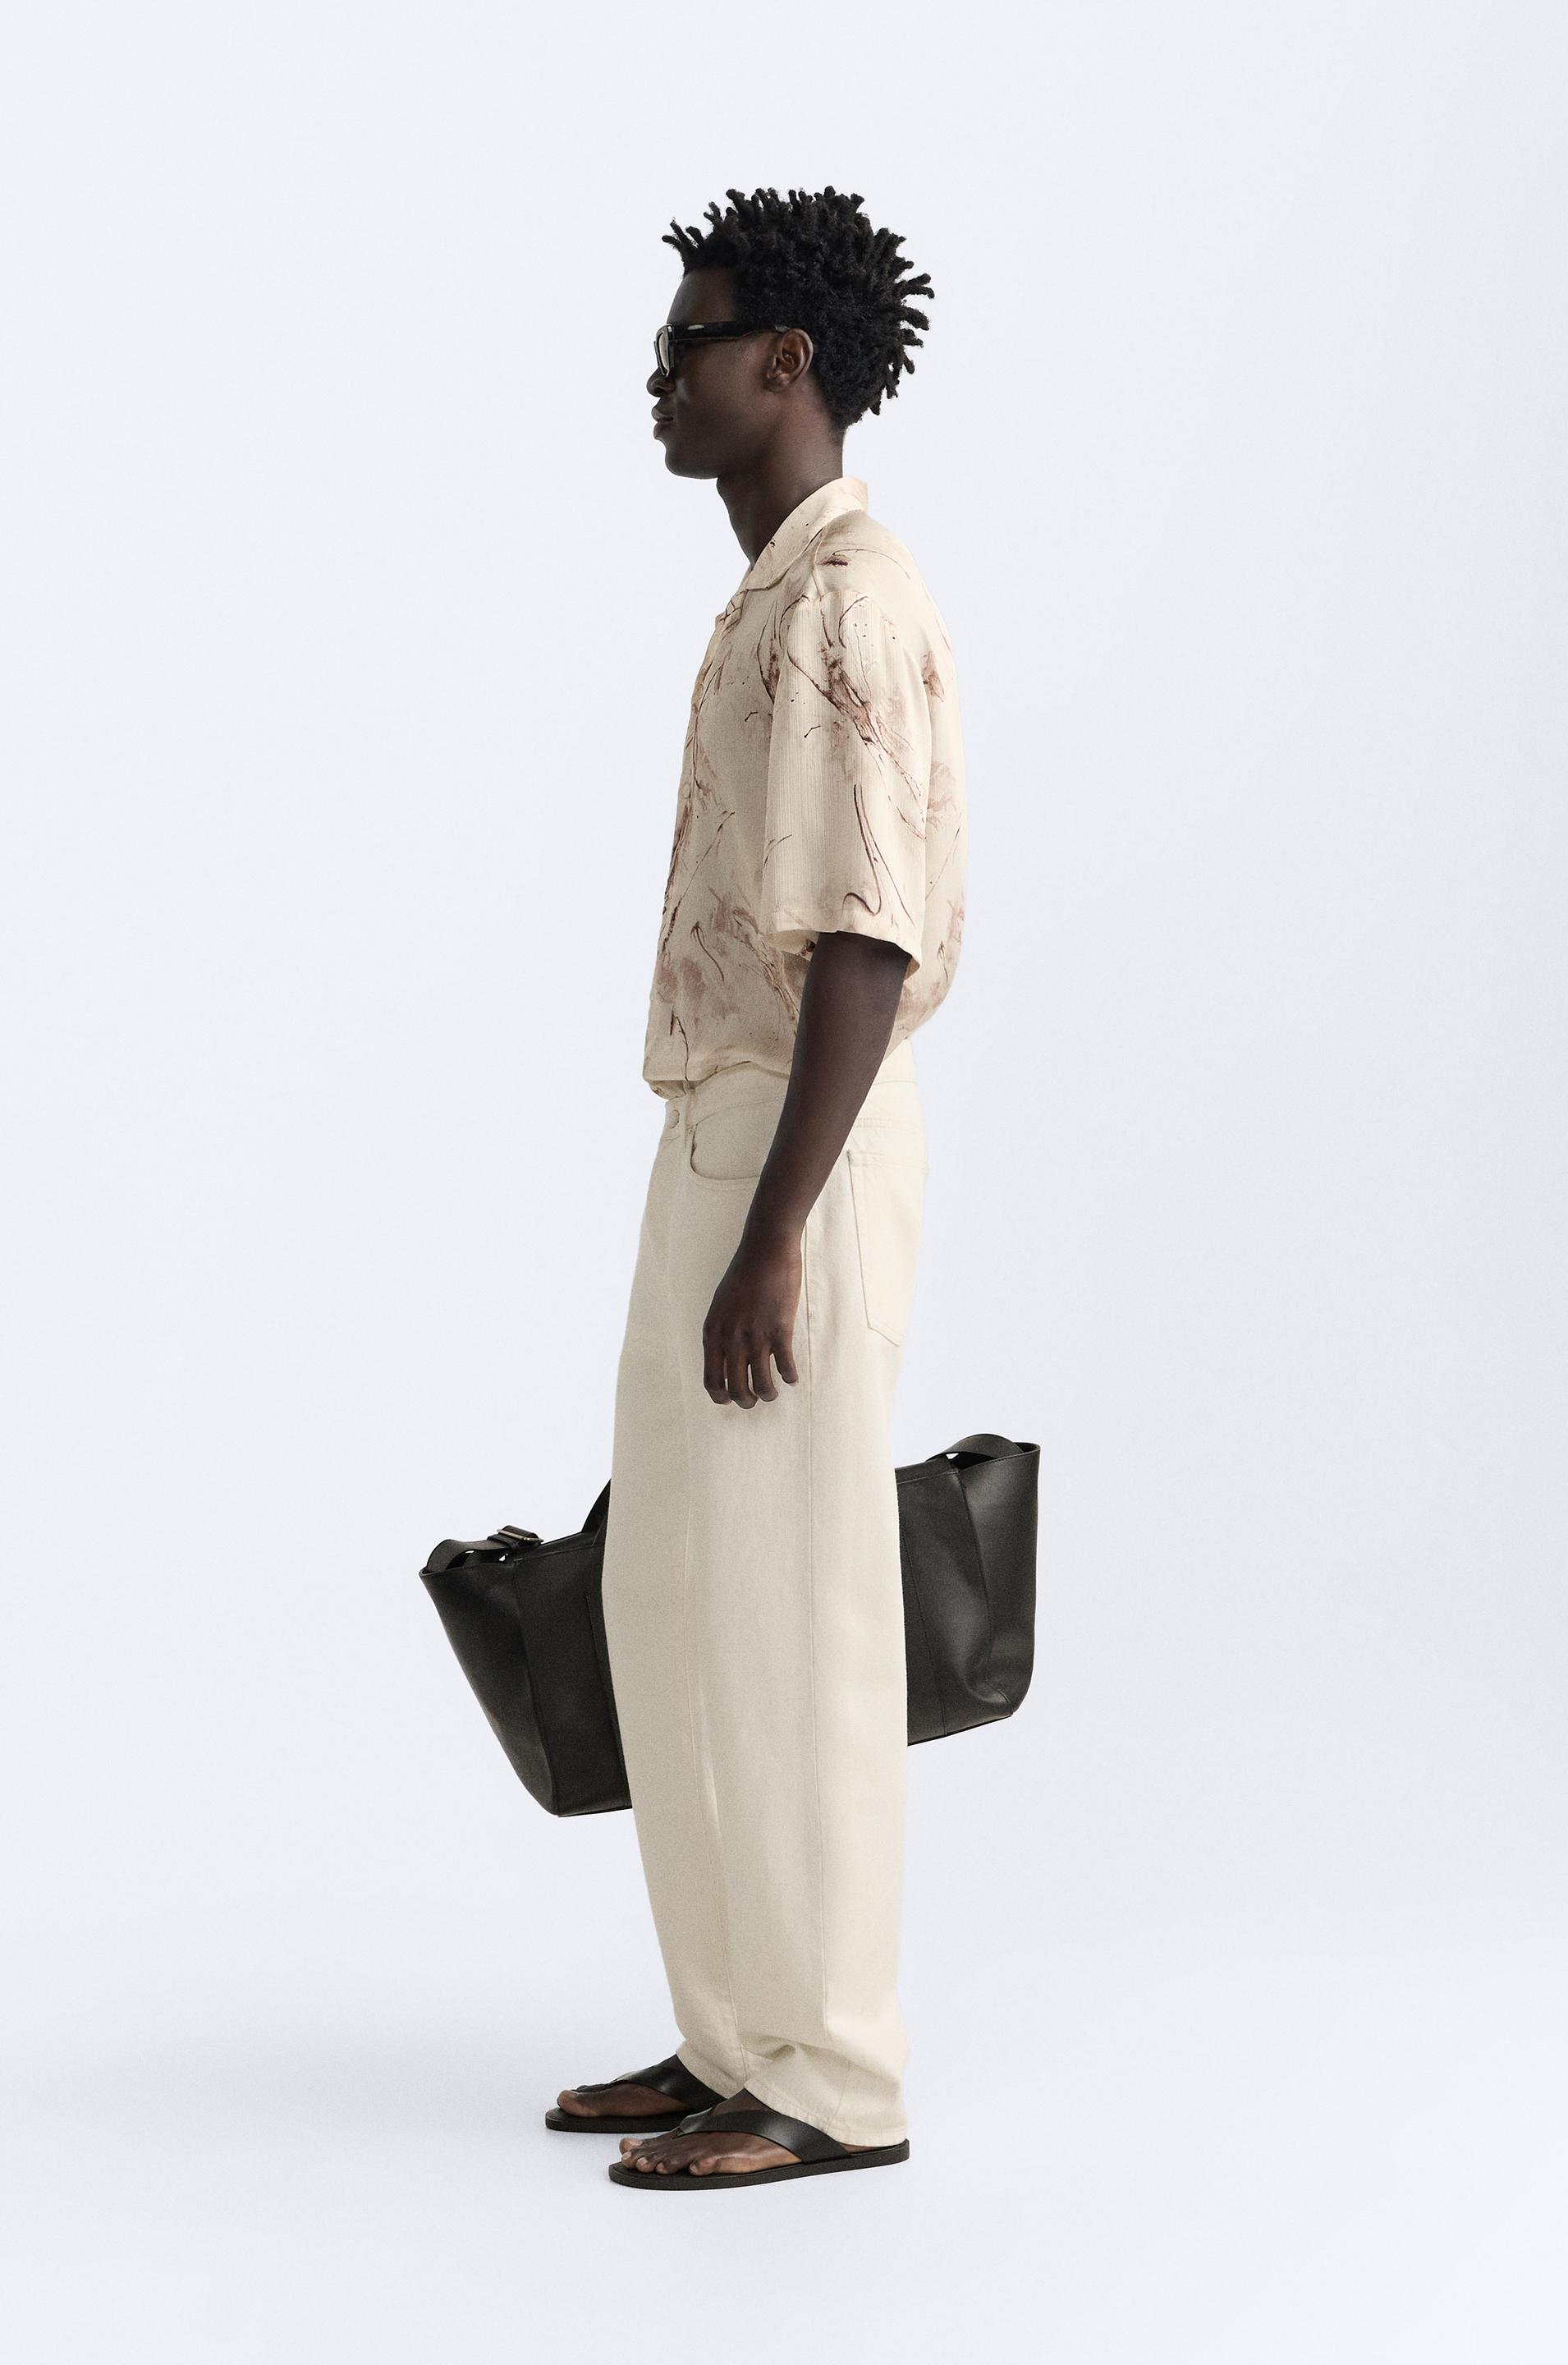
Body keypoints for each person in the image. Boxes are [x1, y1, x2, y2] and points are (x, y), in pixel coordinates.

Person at [551, 185, 967, 2190]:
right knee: (675, 1597)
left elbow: (867, 939)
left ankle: (832, 2078)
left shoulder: (849, 602)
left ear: (787, 362)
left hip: (799, 1143)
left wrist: (780, 1233)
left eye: (691, 342)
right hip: (719, 1136)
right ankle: (733, 2035)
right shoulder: (770, 596)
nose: (662, 375)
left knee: (795, 1609)